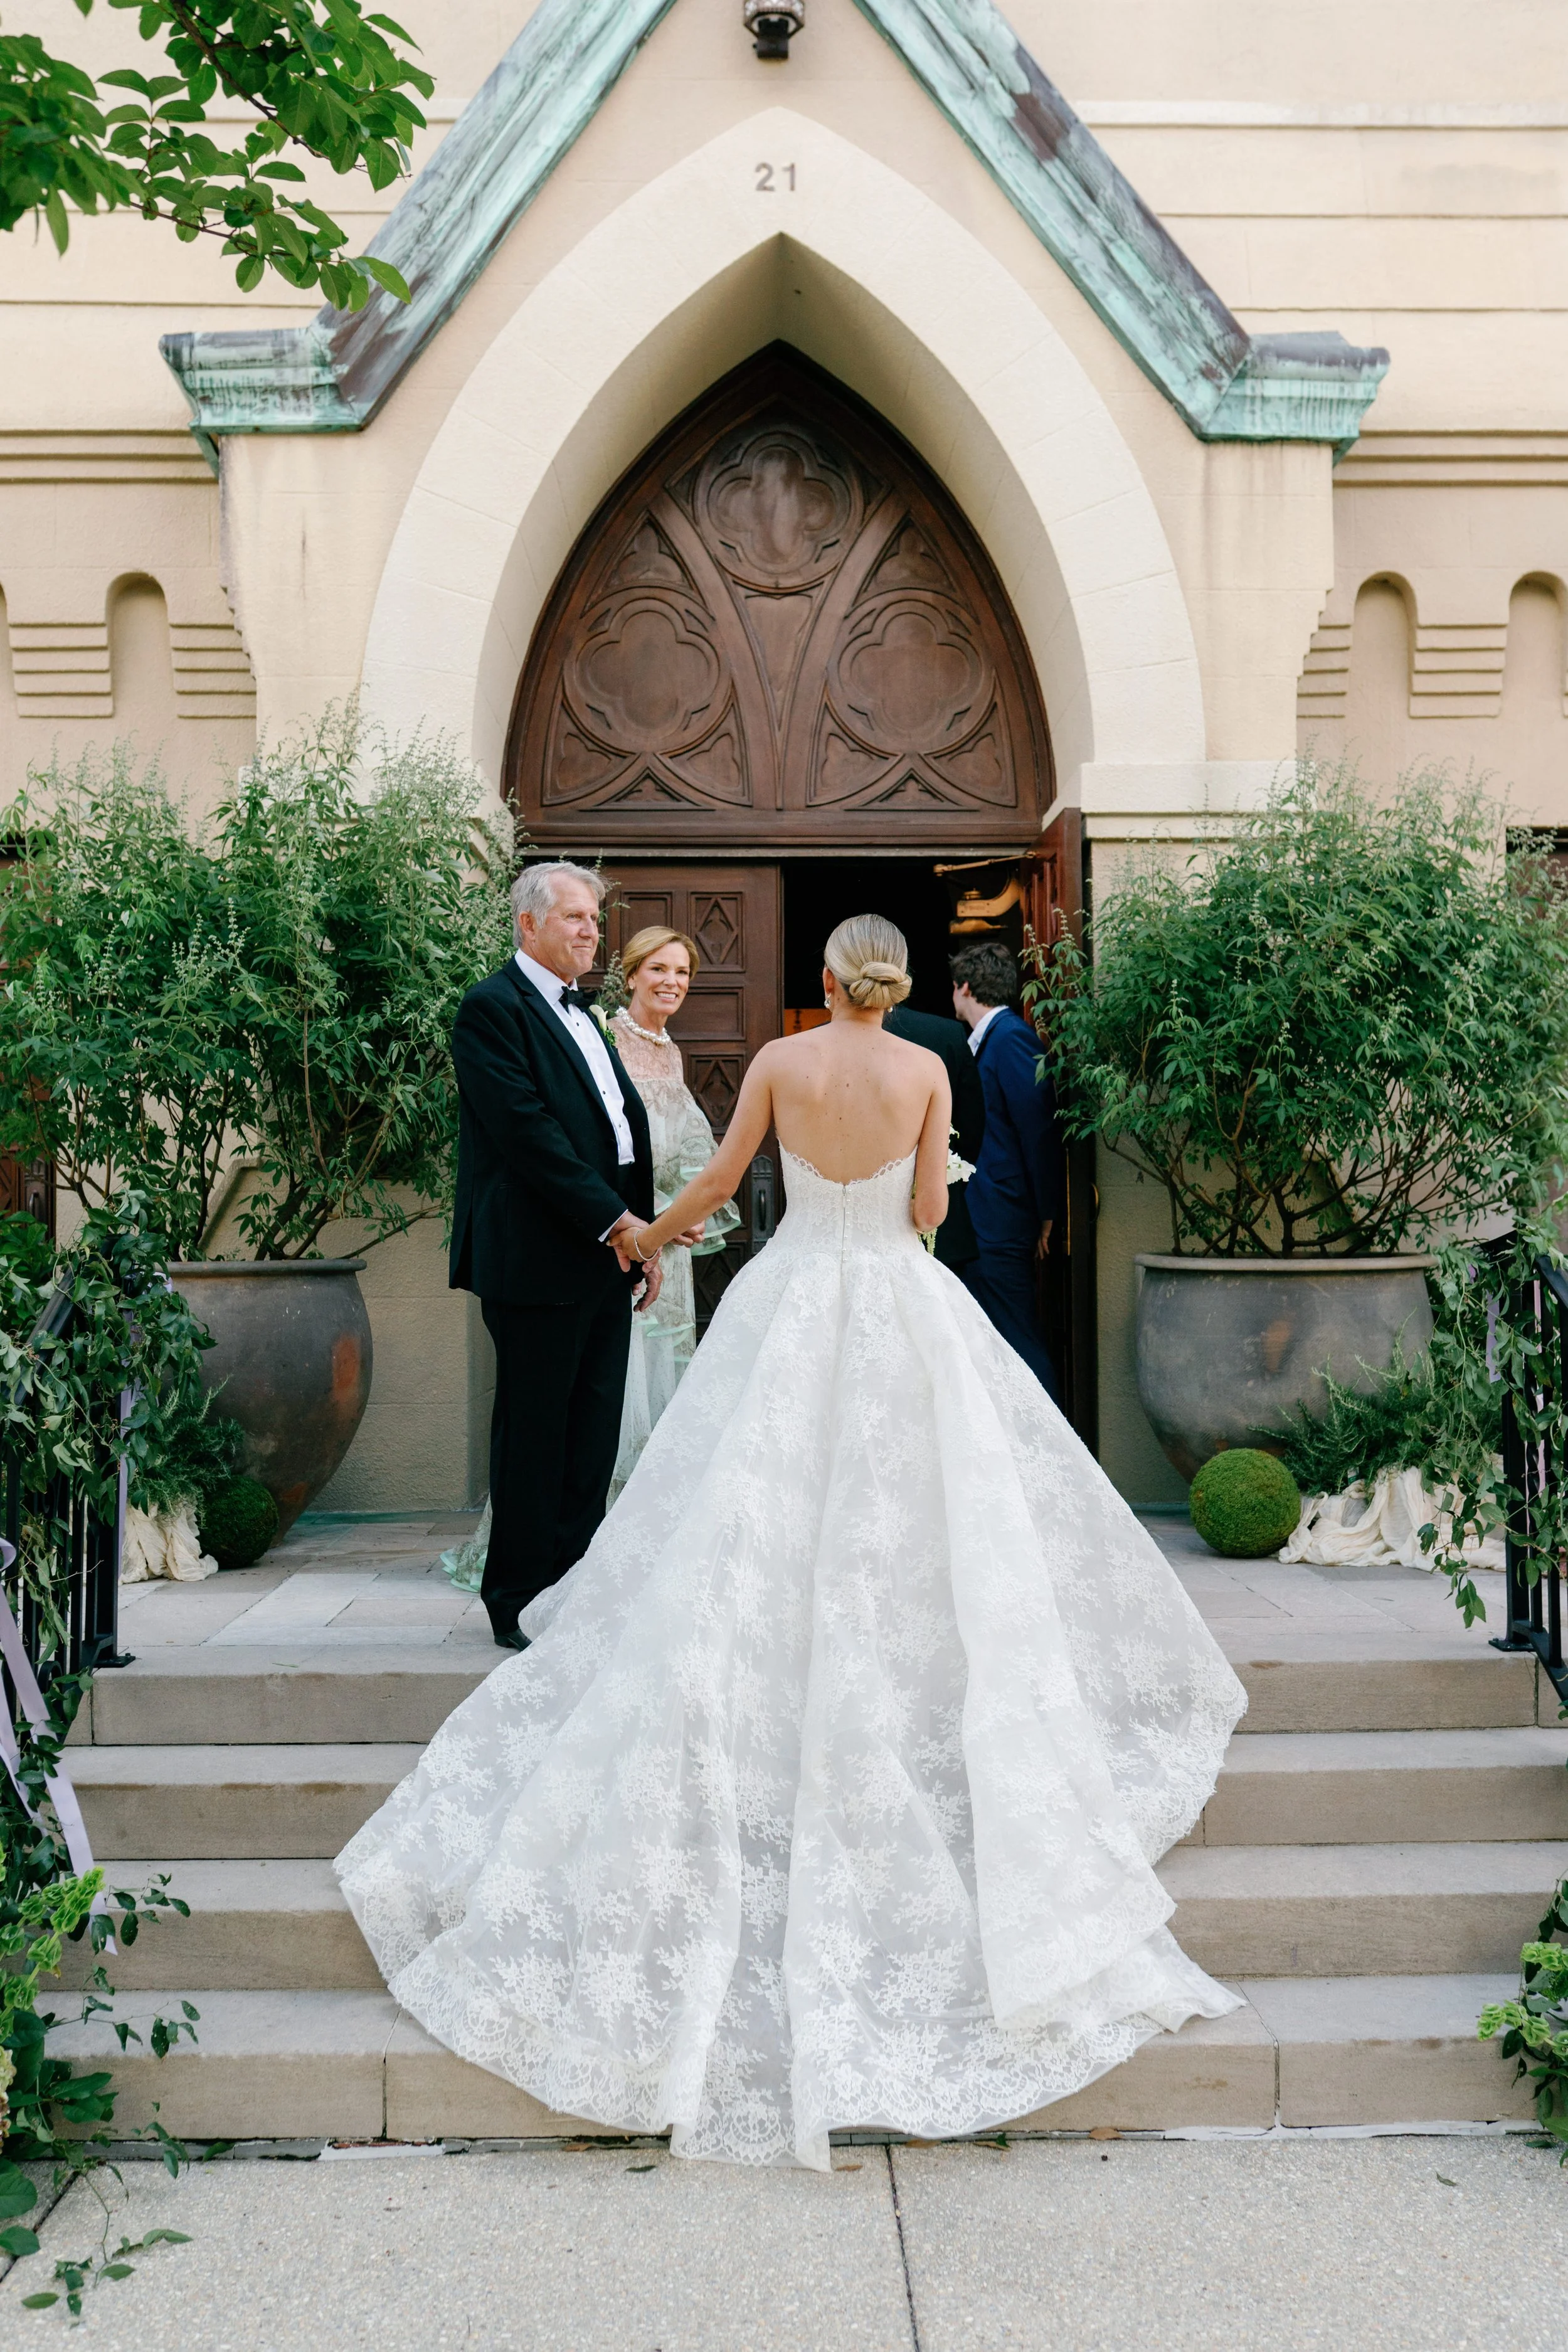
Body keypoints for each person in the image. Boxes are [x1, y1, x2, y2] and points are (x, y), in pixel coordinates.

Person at [339, 913, 1246, 2170]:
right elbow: (929, 1206)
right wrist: (906, 1200)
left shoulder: (777, 1059)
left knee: (740, 1513)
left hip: (789, 1298)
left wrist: (648, 1236)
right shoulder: (928, 1070)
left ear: (822, 983)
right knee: (914, 1516)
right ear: (901, 986)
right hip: (890, 1294)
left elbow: (719, 1184)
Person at [447, 861, 658, 1651]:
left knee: (591, 1433)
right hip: (537, 1261)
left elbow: (618, 1134)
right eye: (576, 918)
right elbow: (529, 1135)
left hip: (607, 1258)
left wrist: (644, 1235)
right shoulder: (489, 1010)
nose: (591, 933)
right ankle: (519, 1602)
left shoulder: (589, 1016)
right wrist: (618, 1224)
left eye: (596, 921)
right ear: (528, 924)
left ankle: (575, 1592)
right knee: (536, 1435)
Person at [605, 926, 740, 1499]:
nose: (672, 982)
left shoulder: (671, 1049)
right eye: (659, 969)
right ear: (632, 973)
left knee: (664, 1359)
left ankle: (655, 1504)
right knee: (626, 1367)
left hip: (672, 1233)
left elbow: (681, 1149)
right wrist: (646, 1221)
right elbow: (606, 1146)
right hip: (628, 1231)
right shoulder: (606, 1040)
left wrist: (691, 1208)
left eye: (682, 973)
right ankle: (608, 1507)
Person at [950, 938, 1064, 1399]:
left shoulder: (1012, 1039)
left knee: (1017, 1340)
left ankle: (1054, 1451)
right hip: (988, 1222)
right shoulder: (990, 1042)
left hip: (1002, 1221)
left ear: (964, 987)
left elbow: (1038, 1130)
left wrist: (1049, 1213)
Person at [883, 988, 985, 1274]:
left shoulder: (819, 1043)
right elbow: (971, 1127)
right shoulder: (947, 1034)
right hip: (941, 1222)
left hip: (851, 1228)